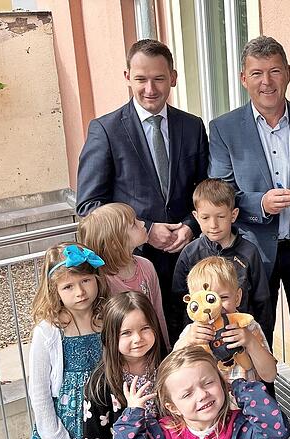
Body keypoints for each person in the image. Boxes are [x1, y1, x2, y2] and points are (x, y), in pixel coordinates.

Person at [208, 35, 290, 439]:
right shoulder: (224, 128)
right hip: (251, 254)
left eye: (275, 71)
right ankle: (260, 412)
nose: (267, 81)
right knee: (253, 333)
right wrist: (260, 204)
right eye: (257, 73)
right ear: (244, 79)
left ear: (288, 74)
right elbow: (220, 191)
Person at [76, 39, 210, 345]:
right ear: (127, 78)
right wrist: (147, 230)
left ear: (173, 78)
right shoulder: (106, 130)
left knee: (192, 345)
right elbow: (88, 206)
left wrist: (190, 226)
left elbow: (205, 191)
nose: (150, 88)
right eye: (141, 79)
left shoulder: (192, 126)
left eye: (159, 78)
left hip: (188, 262)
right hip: (130, 269)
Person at [112, 347, 290, 439]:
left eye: (208, 383)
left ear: (222, 383)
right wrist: (133, 415)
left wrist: (239, 387)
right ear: (173, 407)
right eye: (187, 394)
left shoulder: (242, 427)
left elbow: (276, 431)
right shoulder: (161, 434)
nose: (202, 394)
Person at [28, 243, 107, 439]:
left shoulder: (107, 319)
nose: (80, 292)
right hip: (68, 425)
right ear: (55, 290)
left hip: (106, 415)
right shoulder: (48, 331)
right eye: (68, 287)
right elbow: (39, 391)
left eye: (86, 281)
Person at [171, 178, 271, 336]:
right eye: (205, 218)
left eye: (220, 217)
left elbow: (262, 301)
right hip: (201, 341)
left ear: (233, 215)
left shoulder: (249, 252)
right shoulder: (189, 253)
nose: (213, 225)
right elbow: (177, 303)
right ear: (196, 217)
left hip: (241, 336)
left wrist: (262, 342)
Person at [78, 202, 170, 348]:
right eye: (134, 224)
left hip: (151, 348)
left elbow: (158, 313)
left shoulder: (146, 266)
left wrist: (165, 348)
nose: (142, 223)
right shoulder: (101, 279)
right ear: (115, 242)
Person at [82, 292, 167, 439]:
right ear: (110, 337)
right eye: (126, 333)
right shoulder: (100, 384)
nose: (138, 338)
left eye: (145, 328)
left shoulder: (167, 367)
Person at [174, 256, 278, 384]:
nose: (215, 307)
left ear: (238, 297)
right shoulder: (192, 332)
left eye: (223, 298)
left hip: (247, 400)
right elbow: (173, 372)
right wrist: (187, 341)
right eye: (207, 299)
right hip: (208, 401)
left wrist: (250, 341)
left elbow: (270, 376)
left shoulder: (249, 326)